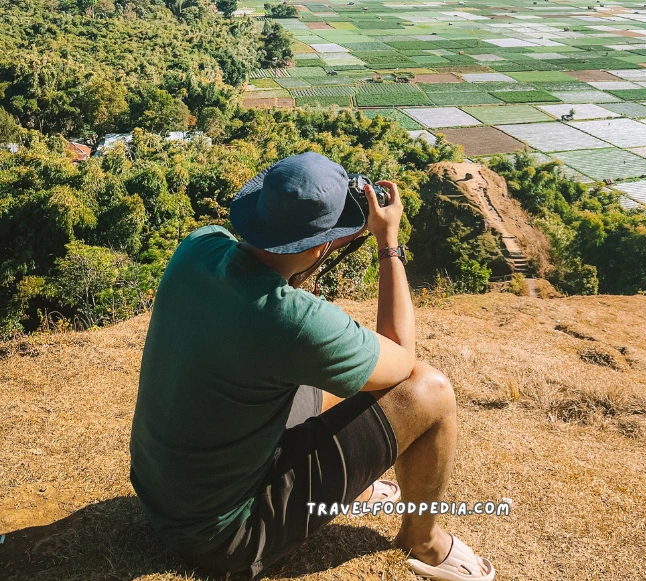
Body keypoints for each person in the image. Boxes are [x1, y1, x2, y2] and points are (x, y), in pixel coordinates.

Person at [129, 151, 494, 580]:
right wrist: (387, 242)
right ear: (323, 244)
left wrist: (314, 245)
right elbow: (401, 360)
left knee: (327, 372)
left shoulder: (199, 246)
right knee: (431, 391)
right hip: (223, 537)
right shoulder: (290, 322)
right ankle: (424, 540)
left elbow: (269, 292)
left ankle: (347, 483)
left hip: (161, 491)